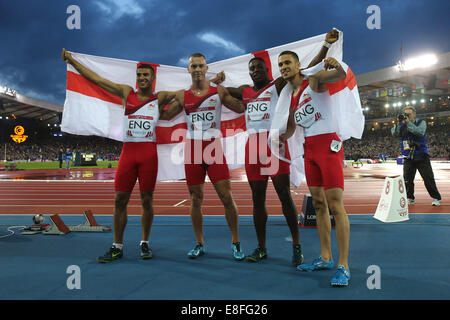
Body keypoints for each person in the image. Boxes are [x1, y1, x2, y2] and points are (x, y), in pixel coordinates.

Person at [225, 29, 339, 266]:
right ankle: (261, 247)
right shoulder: (245, 91)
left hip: (275, 144)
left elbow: (306, 68)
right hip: (253, 148)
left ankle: (297, 246)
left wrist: (325, 46)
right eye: (251, 69)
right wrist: (213, 82)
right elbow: (220, 92)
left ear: (267, 70)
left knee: (284, 196)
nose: (255, 71)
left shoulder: (278, 85)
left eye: (258, 68)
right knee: (257, 200)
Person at [62, 48, 178, 262]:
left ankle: (144, 243)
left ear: (153, 79)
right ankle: (117, 245)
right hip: (128, 152)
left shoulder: (159, 98)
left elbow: (186, 93)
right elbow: (97, 79)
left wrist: (209, 79)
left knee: (147, 200)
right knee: (119, 200)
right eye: (139, 75)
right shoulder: (127, 93)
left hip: (148, 154)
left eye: (146, 75)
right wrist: (73, 61)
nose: (142, 78)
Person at [163, 53, 246, 261]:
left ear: (206, 68)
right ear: (188, 69)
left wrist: (251, 93)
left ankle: (236, 242)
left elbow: (241, 107)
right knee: (195, 199)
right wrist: (144, 105)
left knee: (227, 197)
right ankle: (199, 243)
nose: (197, 69)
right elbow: (165, 115)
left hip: (213, 148)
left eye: (201, 66)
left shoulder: (218, 91)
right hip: (193, 150)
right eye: (193, 66)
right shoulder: (183, 96)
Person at [279, 52, 351, 286]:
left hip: (328, 146)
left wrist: (336, 64)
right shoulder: (292, 98)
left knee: (336, 206)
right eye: (280, 64)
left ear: (298, 65)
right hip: (309, 149)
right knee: (319, 204)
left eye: (287, 62)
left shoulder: (315, 81)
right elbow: (291, 128)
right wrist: (277, 138)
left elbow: (340, 75)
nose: (283, 67)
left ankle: (344, 265)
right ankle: (325, 257)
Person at [391, 106, 441, 206]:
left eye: (408, 114)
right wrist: (398, 123)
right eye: (405, 114)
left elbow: (419, 132)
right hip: (408, 155)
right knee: (407, 179)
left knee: (428, 178)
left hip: (421, 154)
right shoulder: (402, 125)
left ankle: (436, 198)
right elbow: (394, 134)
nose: (407, 116)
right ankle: (410, 198)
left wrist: (408, 122)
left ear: (414, 114)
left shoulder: (421, 122)